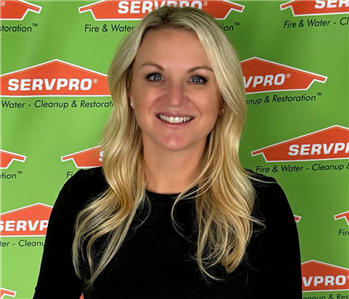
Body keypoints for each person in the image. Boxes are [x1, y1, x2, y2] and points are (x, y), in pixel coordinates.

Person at [33, 6, 301, 299]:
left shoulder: (262, 204)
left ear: (222, 98)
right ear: (130, 91)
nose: (175, 98)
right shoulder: (85, 197)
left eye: (198, 79)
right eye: (155, 77)